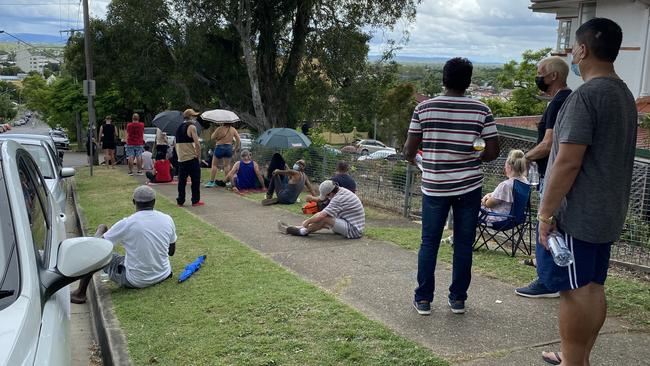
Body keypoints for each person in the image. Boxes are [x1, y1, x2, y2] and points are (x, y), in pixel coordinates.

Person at [535, 18, 637, 366]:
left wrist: (546, 214)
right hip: (607, 210)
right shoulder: (622, 93)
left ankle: (573, 361)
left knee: (574, 290)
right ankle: (577, 357)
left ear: (582, 49)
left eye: (573, 48)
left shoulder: (587, 96)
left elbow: (567, 162)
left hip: (580, 213)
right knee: (592, 287)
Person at [403, 57, 499, 316]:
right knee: (464, 244)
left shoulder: (424, 109)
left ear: (443, 79)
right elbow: (492, 151)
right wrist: (472, 157)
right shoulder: (482, 110)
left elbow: (408, 149)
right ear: (468, 82)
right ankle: (457, 299)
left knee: (429, 242)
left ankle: (423, 299)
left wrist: (423, 161)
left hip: (434, 186)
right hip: (469, 186)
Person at [515, 56, 572, 299]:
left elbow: (548, 144)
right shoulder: (566, 100)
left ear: (553, 76)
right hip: (555, 173)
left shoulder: (559, 102)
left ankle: (547, 281)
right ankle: (552, 278)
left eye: (540, 73)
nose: (538, 77)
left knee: (545, 224)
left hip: (552, 174)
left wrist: (525, 158)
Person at [70, 186, 176, 304]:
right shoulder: (167, 219)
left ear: (134, 202)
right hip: (163, 273)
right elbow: (171, 252)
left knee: (94, 253)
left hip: (136, 280)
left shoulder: (127, 223)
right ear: (154, 202)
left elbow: (97, 249)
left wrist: (101, 230)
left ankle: (80, 293)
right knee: (123, 257)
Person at [279, 180, 365, 239]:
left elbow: (322, 215)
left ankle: (301, 231)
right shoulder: (340, 191)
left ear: (331, 193)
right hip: (348, 223)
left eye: (327, 195)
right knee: (322, 220)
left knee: (324, 219)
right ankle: (296, 228)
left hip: (354, 230)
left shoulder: (339, 198)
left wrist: (308, 221)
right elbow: (322, 211)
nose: (327, 198)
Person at [480, 150, 529, 222]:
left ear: (509, 167)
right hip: (515, 219)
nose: (504, 167)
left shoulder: (506, 185)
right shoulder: (525, 182)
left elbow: (488, 204)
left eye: (505, 165)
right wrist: (490, 195)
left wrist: (485, 198)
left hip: (500, 218)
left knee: (471, 209)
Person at [175, 109, 204, 206]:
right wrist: (198, 156)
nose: (195, 118)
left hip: (181, 157)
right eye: (194, 116)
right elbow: (197, 143)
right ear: (190, 117)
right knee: (195, 180)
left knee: (182, 181)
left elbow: (175, 143)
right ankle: (195, 200)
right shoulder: (192, 127)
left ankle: (180, 200)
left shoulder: (178, 128)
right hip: (191, 157)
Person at [205, 123, 240, 188]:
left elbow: (212, 137)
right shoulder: (233, 129)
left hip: (219, 147)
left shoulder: (219, 128)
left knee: (214, 165)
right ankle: (227, 182)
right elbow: (238, 139)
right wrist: (235, 148)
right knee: (227, 166)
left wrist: (217, 134)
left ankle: (211, 182)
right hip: (229, 147)